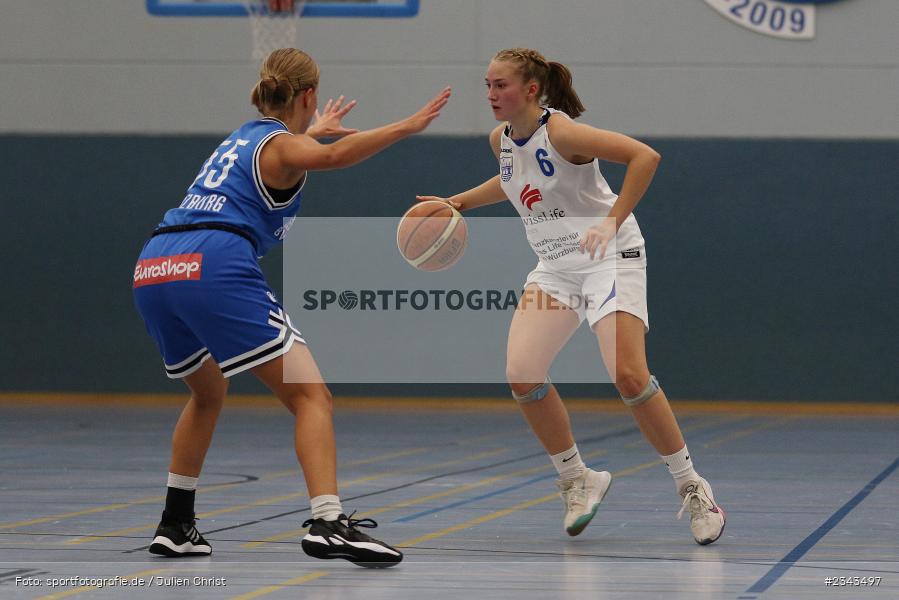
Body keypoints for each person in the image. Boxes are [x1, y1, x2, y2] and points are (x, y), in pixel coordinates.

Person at [133, 48, 451, 567]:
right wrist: (406, 126)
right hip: (214, 260)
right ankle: (328, 521)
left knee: (208, 392)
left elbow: (291, 150)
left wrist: (315, 129)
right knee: (311, 396)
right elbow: (329, 157)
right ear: (308, 95)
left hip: (156, 264)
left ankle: (175, 523)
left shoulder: (242, 137)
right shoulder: (281, 147)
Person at [416, 48, 725, 545]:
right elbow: (515, 181)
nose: (491, 94)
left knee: (628, 374)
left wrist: (611, 221)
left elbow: (645, 157)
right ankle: (578, 477)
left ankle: (692, 487)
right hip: (556, 267)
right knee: (522, 373)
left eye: (501, 85)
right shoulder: (500, 139)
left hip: (609, 256)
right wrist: (458, 202)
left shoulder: (562, 132)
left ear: (531, 89)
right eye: (487, 85)